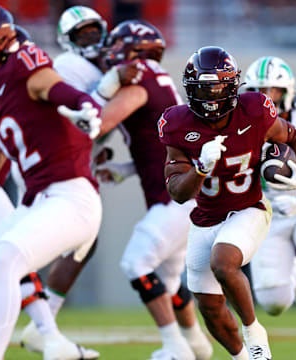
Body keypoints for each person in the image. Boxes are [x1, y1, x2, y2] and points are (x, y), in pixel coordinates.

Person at [0, 2, 102, 360]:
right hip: (35, 204)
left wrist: (82, 103)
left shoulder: (22, 64)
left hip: (72, 196)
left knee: (5, 259)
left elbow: (50, 85)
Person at [159, 45, 296, 360]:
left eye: (218, 87)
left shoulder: (255, 110)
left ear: (233, 86)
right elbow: (178, 193)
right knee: (208, 304)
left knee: (223, 262)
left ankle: (254, 335)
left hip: (250, 208)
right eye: (203, 89)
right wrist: (201, 169)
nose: (211, 97)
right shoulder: (177, 123)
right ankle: (242, 358)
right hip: (206, 217)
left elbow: (292, 137)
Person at [19, 5, 143, 353]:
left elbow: (92, 125)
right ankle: (26, 323)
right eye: (81, 34)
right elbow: (74, 117)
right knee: (27, 247)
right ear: (67, 41)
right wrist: (108, 89)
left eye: (93, 31)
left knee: (82, 243)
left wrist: (95, 151)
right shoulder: (70, 67)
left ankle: (41, 325)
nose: (90, 38)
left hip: (68, 159)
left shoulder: (90, 65)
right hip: (51, 162)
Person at [91, 20, 212, 360]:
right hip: (183, 194)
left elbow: (97, 124)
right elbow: (157, 150)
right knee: (169, 283)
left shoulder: (140, 81)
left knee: (135, 263)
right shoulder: (159, 80)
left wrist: (96, 97)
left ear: (135, 52)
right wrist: (125, 169)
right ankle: (197, 346)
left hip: (176, 198)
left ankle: (175, 346)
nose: (112, 54)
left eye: (118, 47)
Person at [244, 56, 296, 315]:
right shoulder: (241, 122)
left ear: (287, 91)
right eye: (259, 91)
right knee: (274, 302)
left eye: (273, 90)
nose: (266, 97)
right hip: (267, 213)